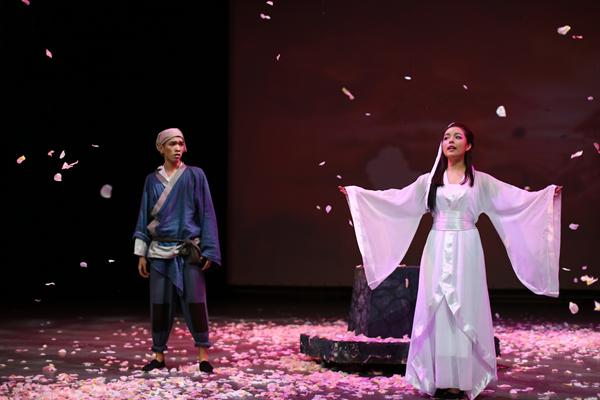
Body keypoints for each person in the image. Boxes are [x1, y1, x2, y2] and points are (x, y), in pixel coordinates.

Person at [340, 122, 562, 399]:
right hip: (437, 245)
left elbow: (514, 200)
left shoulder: (480, 181)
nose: (451, 141)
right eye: (446, 137)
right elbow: (397, 201)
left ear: (468, 145)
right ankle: (437, 376)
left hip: (467, 247)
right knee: (438, 308)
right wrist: (358, 195)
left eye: (458, 137)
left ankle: (460, 378)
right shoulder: (430, 181)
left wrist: (544, 197)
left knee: (464, 306)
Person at [133, 127, 221, 374]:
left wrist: (209, 249)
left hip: (188, 250)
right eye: (171, 144)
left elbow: (207, 212)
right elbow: (144, 216)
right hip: (159, 251)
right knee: (159, 304)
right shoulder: (152, 180)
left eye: (180, 143)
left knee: (196, 302)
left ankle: (203, 356)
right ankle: (158, 355)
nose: (177, 148)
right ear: (161, 148)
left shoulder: (195, 175)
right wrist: (141, 253)